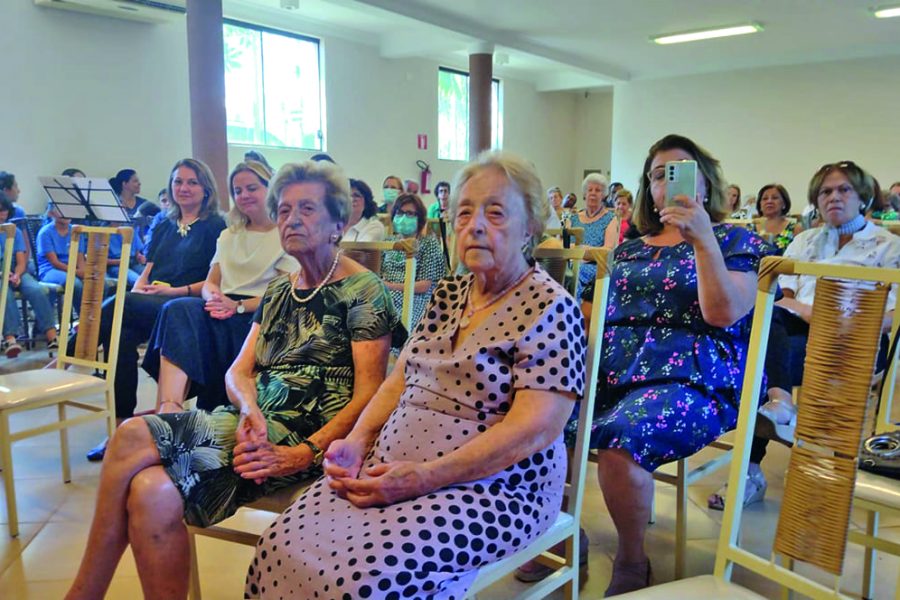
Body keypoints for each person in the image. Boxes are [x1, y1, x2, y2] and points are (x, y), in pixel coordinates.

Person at [246, 150, 586, 599]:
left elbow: (535, 429)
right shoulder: (449, 293)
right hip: (392, 469)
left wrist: (426, 476)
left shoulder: (552, 307)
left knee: (368, 581)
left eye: (495, 213)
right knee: (279, 545)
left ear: (529, 227)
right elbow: (400, 378)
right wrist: (357, 441)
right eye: (464, 212)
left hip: (495, 488)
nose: (475, 225)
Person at [64, 159, 400, 600]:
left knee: (129, 435)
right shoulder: (280, 290)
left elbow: (371, 394)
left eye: (307, 209)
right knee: (149, 492)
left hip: (315, 438)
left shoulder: (364, 290)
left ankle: (83, 593)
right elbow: (238, 370)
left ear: (338, 223)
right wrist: (249, 408)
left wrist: (303, 453)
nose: (291, 219)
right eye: (284, 210)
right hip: (254, 427)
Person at [557, 135, 772, 595]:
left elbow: (723, 312)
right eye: (658, 175)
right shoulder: (629, 249)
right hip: (615, 369)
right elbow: (593, 315)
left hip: (694, 376)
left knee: (623, 438)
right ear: (649, 190)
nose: (667, 182)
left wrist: (702, 240)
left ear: (704, 183)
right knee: (542, 416)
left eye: (680, 172)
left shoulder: (735, 240)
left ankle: (632, 558)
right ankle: (563, 532)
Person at [708, 160, 900, 511]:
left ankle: (799, 466)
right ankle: (769, 429)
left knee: (763, 364)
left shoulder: (888, 246)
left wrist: (842, 321)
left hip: (856, 340)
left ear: (863, 197)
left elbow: (894, 315)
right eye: (825, 191)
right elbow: (782, 297)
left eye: (843, 190)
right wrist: (813, 313)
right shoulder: (805, 240)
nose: (834, 197)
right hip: (798, 331)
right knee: (760, 339)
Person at [83, 159, 227, 462]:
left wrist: (171, 291)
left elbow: (216, 279)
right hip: (154, 300)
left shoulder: (216, 225)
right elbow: (146, 272)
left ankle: (76, 342)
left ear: (206, 189)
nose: (183, 188)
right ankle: (121, 427)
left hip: (187, 306)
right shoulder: (163, 222)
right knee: (119, 333)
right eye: (178, 181)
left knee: (120, 307)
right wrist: (138, 292)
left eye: (192, 182)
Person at [142, 160, 297, 412]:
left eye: (251, 188)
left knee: (185, 317)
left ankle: (171, 410)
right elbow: (211, 282)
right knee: (176, 309)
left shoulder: (285, 233)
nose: (244, 195)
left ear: (271, 189)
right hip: (222, 305)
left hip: (259, 314)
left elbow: (283, 293)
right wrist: (214, 297)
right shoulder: (229, 234)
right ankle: (170, 408)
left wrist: (236, 306)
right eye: (237, 190)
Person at [0, 197, 58, 356]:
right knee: (5, 294)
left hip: (15, 270)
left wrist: (17, 274)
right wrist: (4, 274)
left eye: (5, 210)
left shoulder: (15, 231)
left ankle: (51, 336)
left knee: (36, 290)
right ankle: (10, 339)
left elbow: (21, 261)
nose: (2, 213)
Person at [382, 193, 445, 330]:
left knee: (393, 326)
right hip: (385, 296)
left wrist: (390, 286)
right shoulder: (388, 242)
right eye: (400, 212)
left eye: (410, 213)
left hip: (414, 297)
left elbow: (424, 286)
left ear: (420, 218)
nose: (404, 217)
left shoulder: (429, 244)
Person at [570, 173, 616, 298]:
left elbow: (607, 251)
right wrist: (589, 250)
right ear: (585, 193)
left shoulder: (610, 219)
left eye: (598, 190)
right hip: (570, 263)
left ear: (604, 195)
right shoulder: (572, 218)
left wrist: (579, 250)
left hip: (595, 267)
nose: (593, 193)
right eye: (590, 190)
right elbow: (564, 246)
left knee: (575, 273)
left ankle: (573, 308)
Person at [36, 206, 86, 308]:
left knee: (100, 283)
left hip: (73, 269)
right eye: (61, 209)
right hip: (50, 270)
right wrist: (76, 272)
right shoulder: (45, 233)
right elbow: (55, 262)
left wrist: (83, 271)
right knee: (75, 284)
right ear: (52, 213)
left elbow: (80, 257)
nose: (66, 213)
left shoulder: (76, 231)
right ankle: (83, 316)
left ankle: (99, 315)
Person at [750, 184, 803, 253]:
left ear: (784, 204)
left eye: (775, 198)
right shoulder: (749, 228)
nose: (769, 201)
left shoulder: (795, 229)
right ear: (760, 205)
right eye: (765, 198)